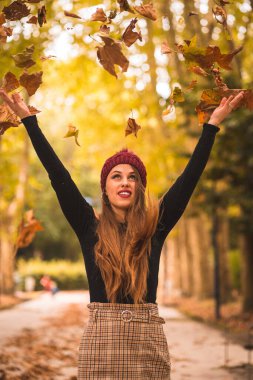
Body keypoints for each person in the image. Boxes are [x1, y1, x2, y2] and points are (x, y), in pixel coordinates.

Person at [0, 88, 244, 379]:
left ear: (140, 188)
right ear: (105, 188)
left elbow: (188, 179)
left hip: (147, 348)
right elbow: (58, 175)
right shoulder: (88, 228)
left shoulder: (156, 228)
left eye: (133, 177)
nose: (125, 182)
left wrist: (211, 127)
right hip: (100, 348)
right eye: (116, 176)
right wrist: (30, 122)